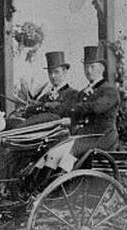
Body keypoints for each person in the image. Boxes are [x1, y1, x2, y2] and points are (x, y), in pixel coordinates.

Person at [38, 44, 120, 173]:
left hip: (103, 137)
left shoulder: (109, 90)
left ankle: (61, 186)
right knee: (53, 153)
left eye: (92, 66)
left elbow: (96, 108)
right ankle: (40, 187)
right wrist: (70, 120)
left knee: (68, 153)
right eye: (86, 67)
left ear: (102, 68)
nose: (88, 70)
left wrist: (74, 110)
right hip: (85, 136)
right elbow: (71, 111)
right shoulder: (83, 92)